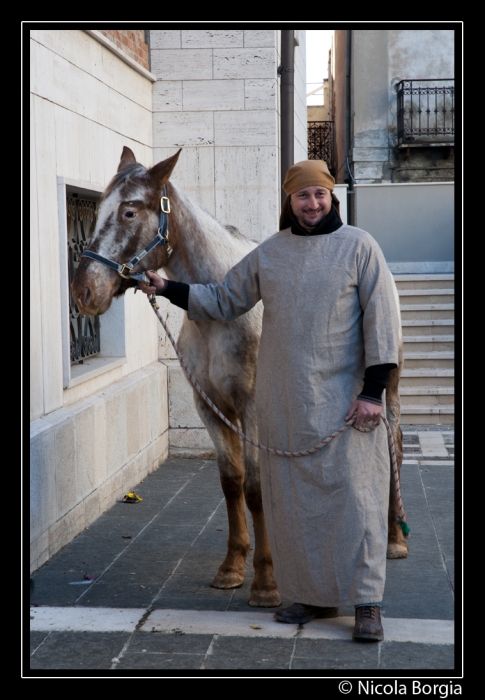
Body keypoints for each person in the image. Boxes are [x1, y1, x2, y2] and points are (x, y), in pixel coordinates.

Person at [139, 160, 401, 642]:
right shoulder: (270, 253)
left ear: (332, 198)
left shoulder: (361, 248)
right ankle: (310, 595)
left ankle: (366, 603)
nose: (312, 203)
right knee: (295, 504)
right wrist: (168, 287)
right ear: (290, 202)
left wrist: (372, 392)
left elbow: (383, 322)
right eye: (303, 196)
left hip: (347, 404)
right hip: (284, 403)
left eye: (319, 195)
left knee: (356, 501)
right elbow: (222, 299)